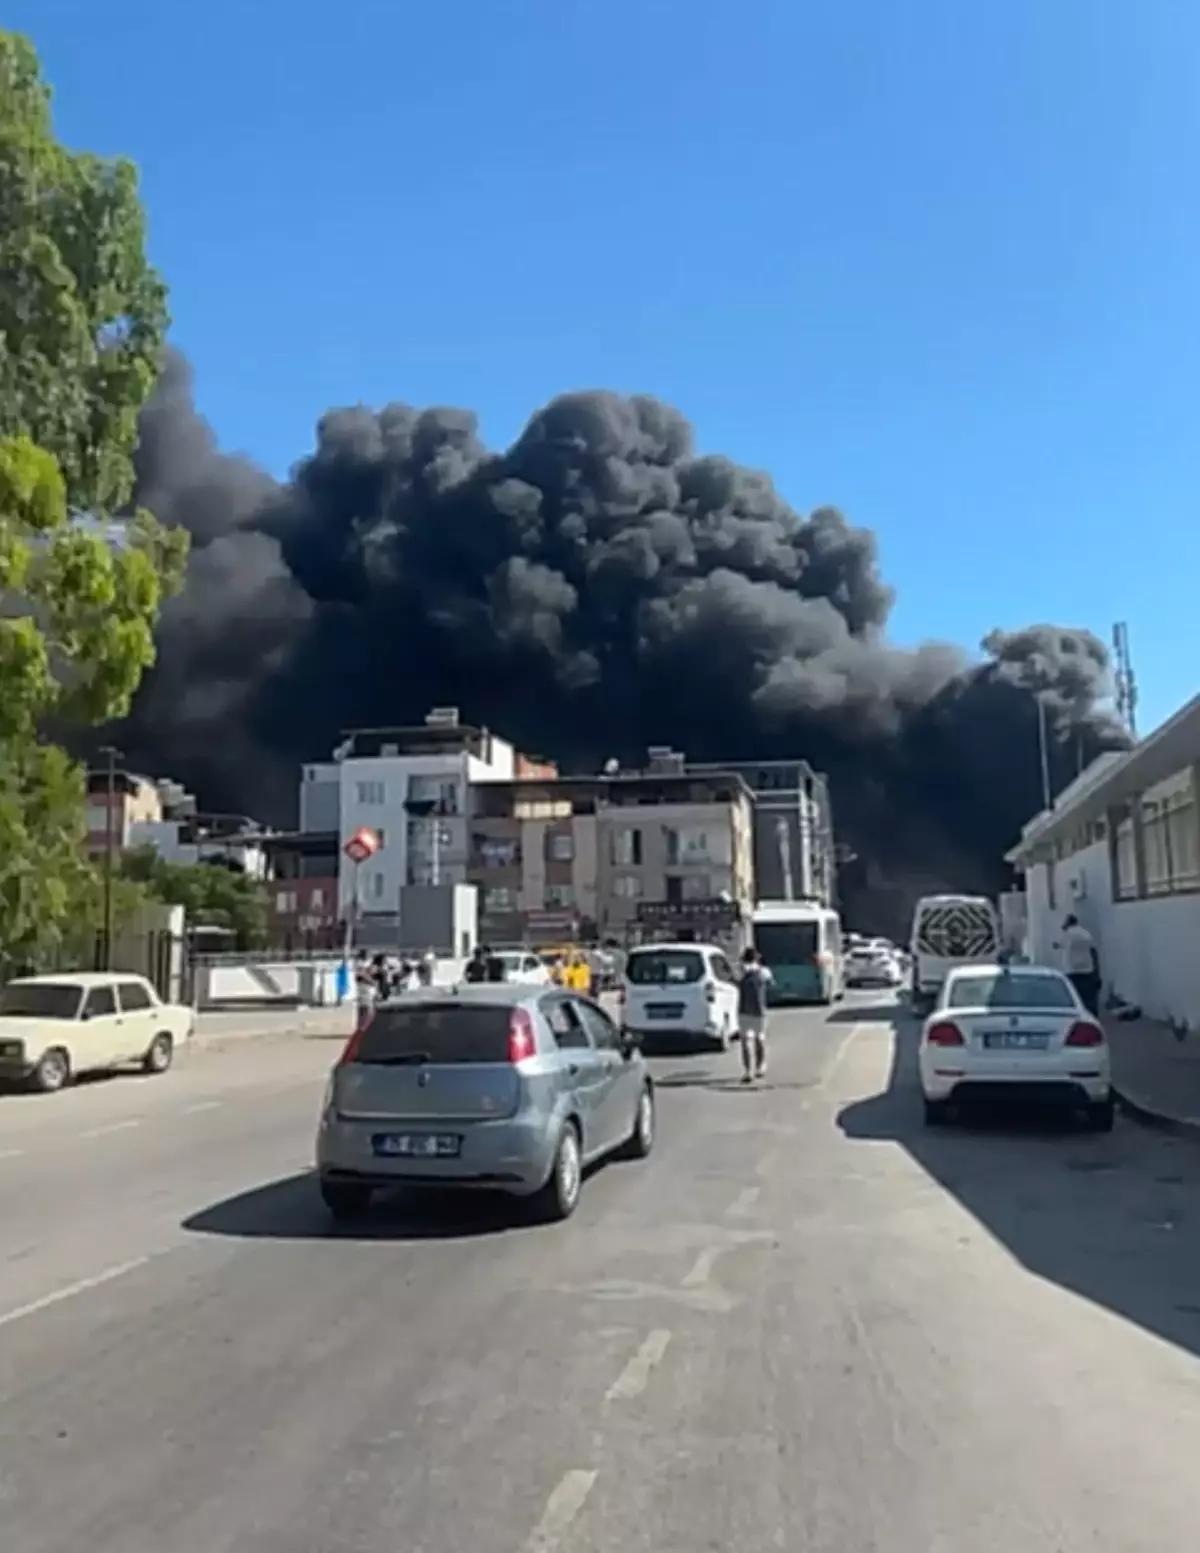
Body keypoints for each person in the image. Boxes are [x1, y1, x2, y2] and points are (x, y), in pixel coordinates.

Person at [736, 946, 773, 1083]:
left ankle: (748, 1071)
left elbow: (734, 981)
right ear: (756, 958)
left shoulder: (740, 971)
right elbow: (771, 984)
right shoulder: (764, 971)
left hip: (744, 1009)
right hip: (759, 1010)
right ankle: (760, 1066)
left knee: (745, 1042)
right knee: (760, 1038)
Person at [1061, 914, 1101, 1014]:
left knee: (1075, 1000)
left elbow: (1059, 944)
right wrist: (1096, 972)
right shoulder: (1086, 934)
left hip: (1072, 971)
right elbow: (1093, 951)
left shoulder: (1067, 934)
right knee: (1088, 1000)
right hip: (1087, 971)